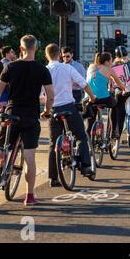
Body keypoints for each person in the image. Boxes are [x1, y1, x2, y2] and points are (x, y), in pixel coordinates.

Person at [0, 35, 54, 207]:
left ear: (21, 49)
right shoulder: (42, 70)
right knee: (29, 157)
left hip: (12, 112)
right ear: (36, 48)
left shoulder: (11, 66)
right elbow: (51, 96)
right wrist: (46, 111)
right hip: (30, 116)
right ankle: (29, 196)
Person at [44, 44, 97, 187]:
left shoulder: (45, 70)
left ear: (46, 56)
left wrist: (45, 110)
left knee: (53, 143)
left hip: (54, 109)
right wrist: (92, 97)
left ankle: (53, 178)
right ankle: (85, 166)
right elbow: (83, 84)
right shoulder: (67, 68)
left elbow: (42, 95)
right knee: (81, 136)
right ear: (59, 55)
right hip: (69, 107)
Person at [84, 52, 127, 137]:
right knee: (115, 105)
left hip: (89, 97)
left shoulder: (91, 67)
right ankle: (113, 131)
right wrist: (125, 90)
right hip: (102, 97)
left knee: (91, 118)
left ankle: (88, 136)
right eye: (111, 60)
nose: (112, 62)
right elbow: (119, 83)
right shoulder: (109, 69)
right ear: (107, 62)